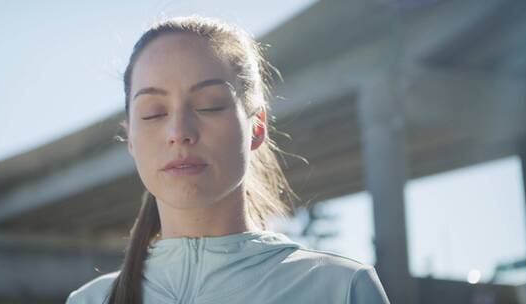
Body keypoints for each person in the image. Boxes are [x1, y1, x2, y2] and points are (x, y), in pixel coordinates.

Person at [66, 16, 390, 304]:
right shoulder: (90, 300)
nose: (179, 132)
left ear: (257, 126)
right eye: (153, 113)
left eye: (208, 105)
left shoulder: (340, 290)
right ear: (130, 139)